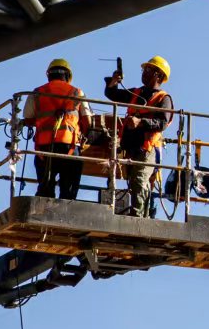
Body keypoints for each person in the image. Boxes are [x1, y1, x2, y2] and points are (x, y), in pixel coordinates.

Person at [105, 54, 173, 217]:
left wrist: (140, 122)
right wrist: (114, 81)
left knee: (140, 180)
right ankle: (141, 215)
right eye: (144, 69)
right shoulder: (136, 93)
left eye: (149, 69)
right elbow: (112, 94)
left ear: (159, 75)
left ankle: (137, 217)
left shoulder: (163, 98)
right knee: (134, 182)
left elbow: (162, 123)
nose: (144, 72)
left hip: (148, 148)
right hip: (131, 146)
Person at [22, 58, 91, 200]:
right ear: (68, 75)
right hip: (70, 148)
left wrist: (44, 122)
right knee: (68, 194)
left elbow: (28, 119)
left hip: (44, 149)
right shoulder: (77, 92)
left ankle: (44, 209)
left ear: (49, 75)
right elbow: (88, 122)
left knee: (45, 192)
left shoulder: (37, 93)